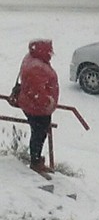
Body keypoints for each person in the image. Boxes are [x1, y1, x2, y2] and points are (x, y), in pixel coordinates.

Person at [17, 39, 59, 173]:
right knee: (39, 134)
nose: (51, 54)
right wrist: (48, 102)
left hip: (32, 106)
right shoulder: (37, 67)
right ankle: (35, 163)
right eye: (49, 51)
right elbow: (36, 91)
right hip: (37, 109)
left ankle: (36, 160)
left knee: (38, 133)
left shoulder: (32, 59)